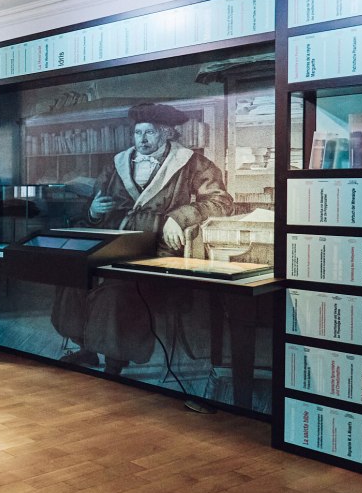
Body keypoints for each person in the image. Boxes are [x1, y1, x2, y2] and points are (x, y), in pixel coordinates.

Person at [51, 102, 233, 375]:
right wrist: (94, 211)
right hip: (116, 241)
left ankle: (115, 359)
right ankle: (86, 347)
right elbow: (95, 204)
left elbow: (221, 202)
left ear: (167, 133)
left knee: (117, 289)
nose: (142, 140)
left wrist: (179, 217)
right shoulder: (118, 163)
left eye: (149, 133)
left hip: (158, 247)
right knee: (75, 278)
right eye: (138, 133)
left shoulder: (191, 162)